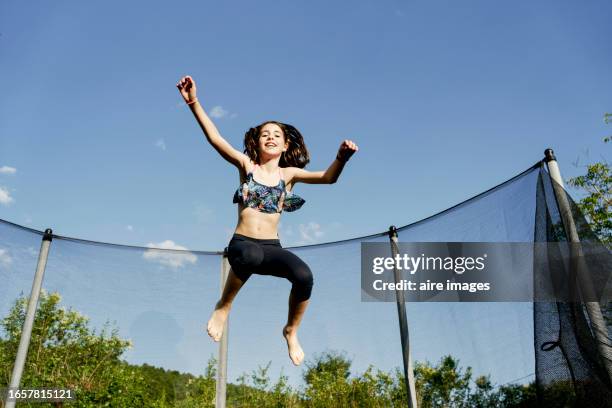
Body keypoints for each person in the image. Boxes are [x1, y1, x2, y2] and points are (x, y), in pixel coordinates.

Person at [176, 75, 358, 365]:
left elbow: (328, 178)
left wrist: (341, 159)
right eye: (264, 134)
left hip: (272, 247)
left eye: (276, 134)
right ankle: (223, 307)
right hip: (242, 243)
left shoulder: (289, 175)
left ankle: (291, 330)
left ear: (285, 145)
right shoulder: (247, 165)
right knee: (248, 255)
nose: (270, 137)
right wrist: (194, 103)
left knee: (304, 276)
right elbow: (215, 138)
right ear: (256, 143)